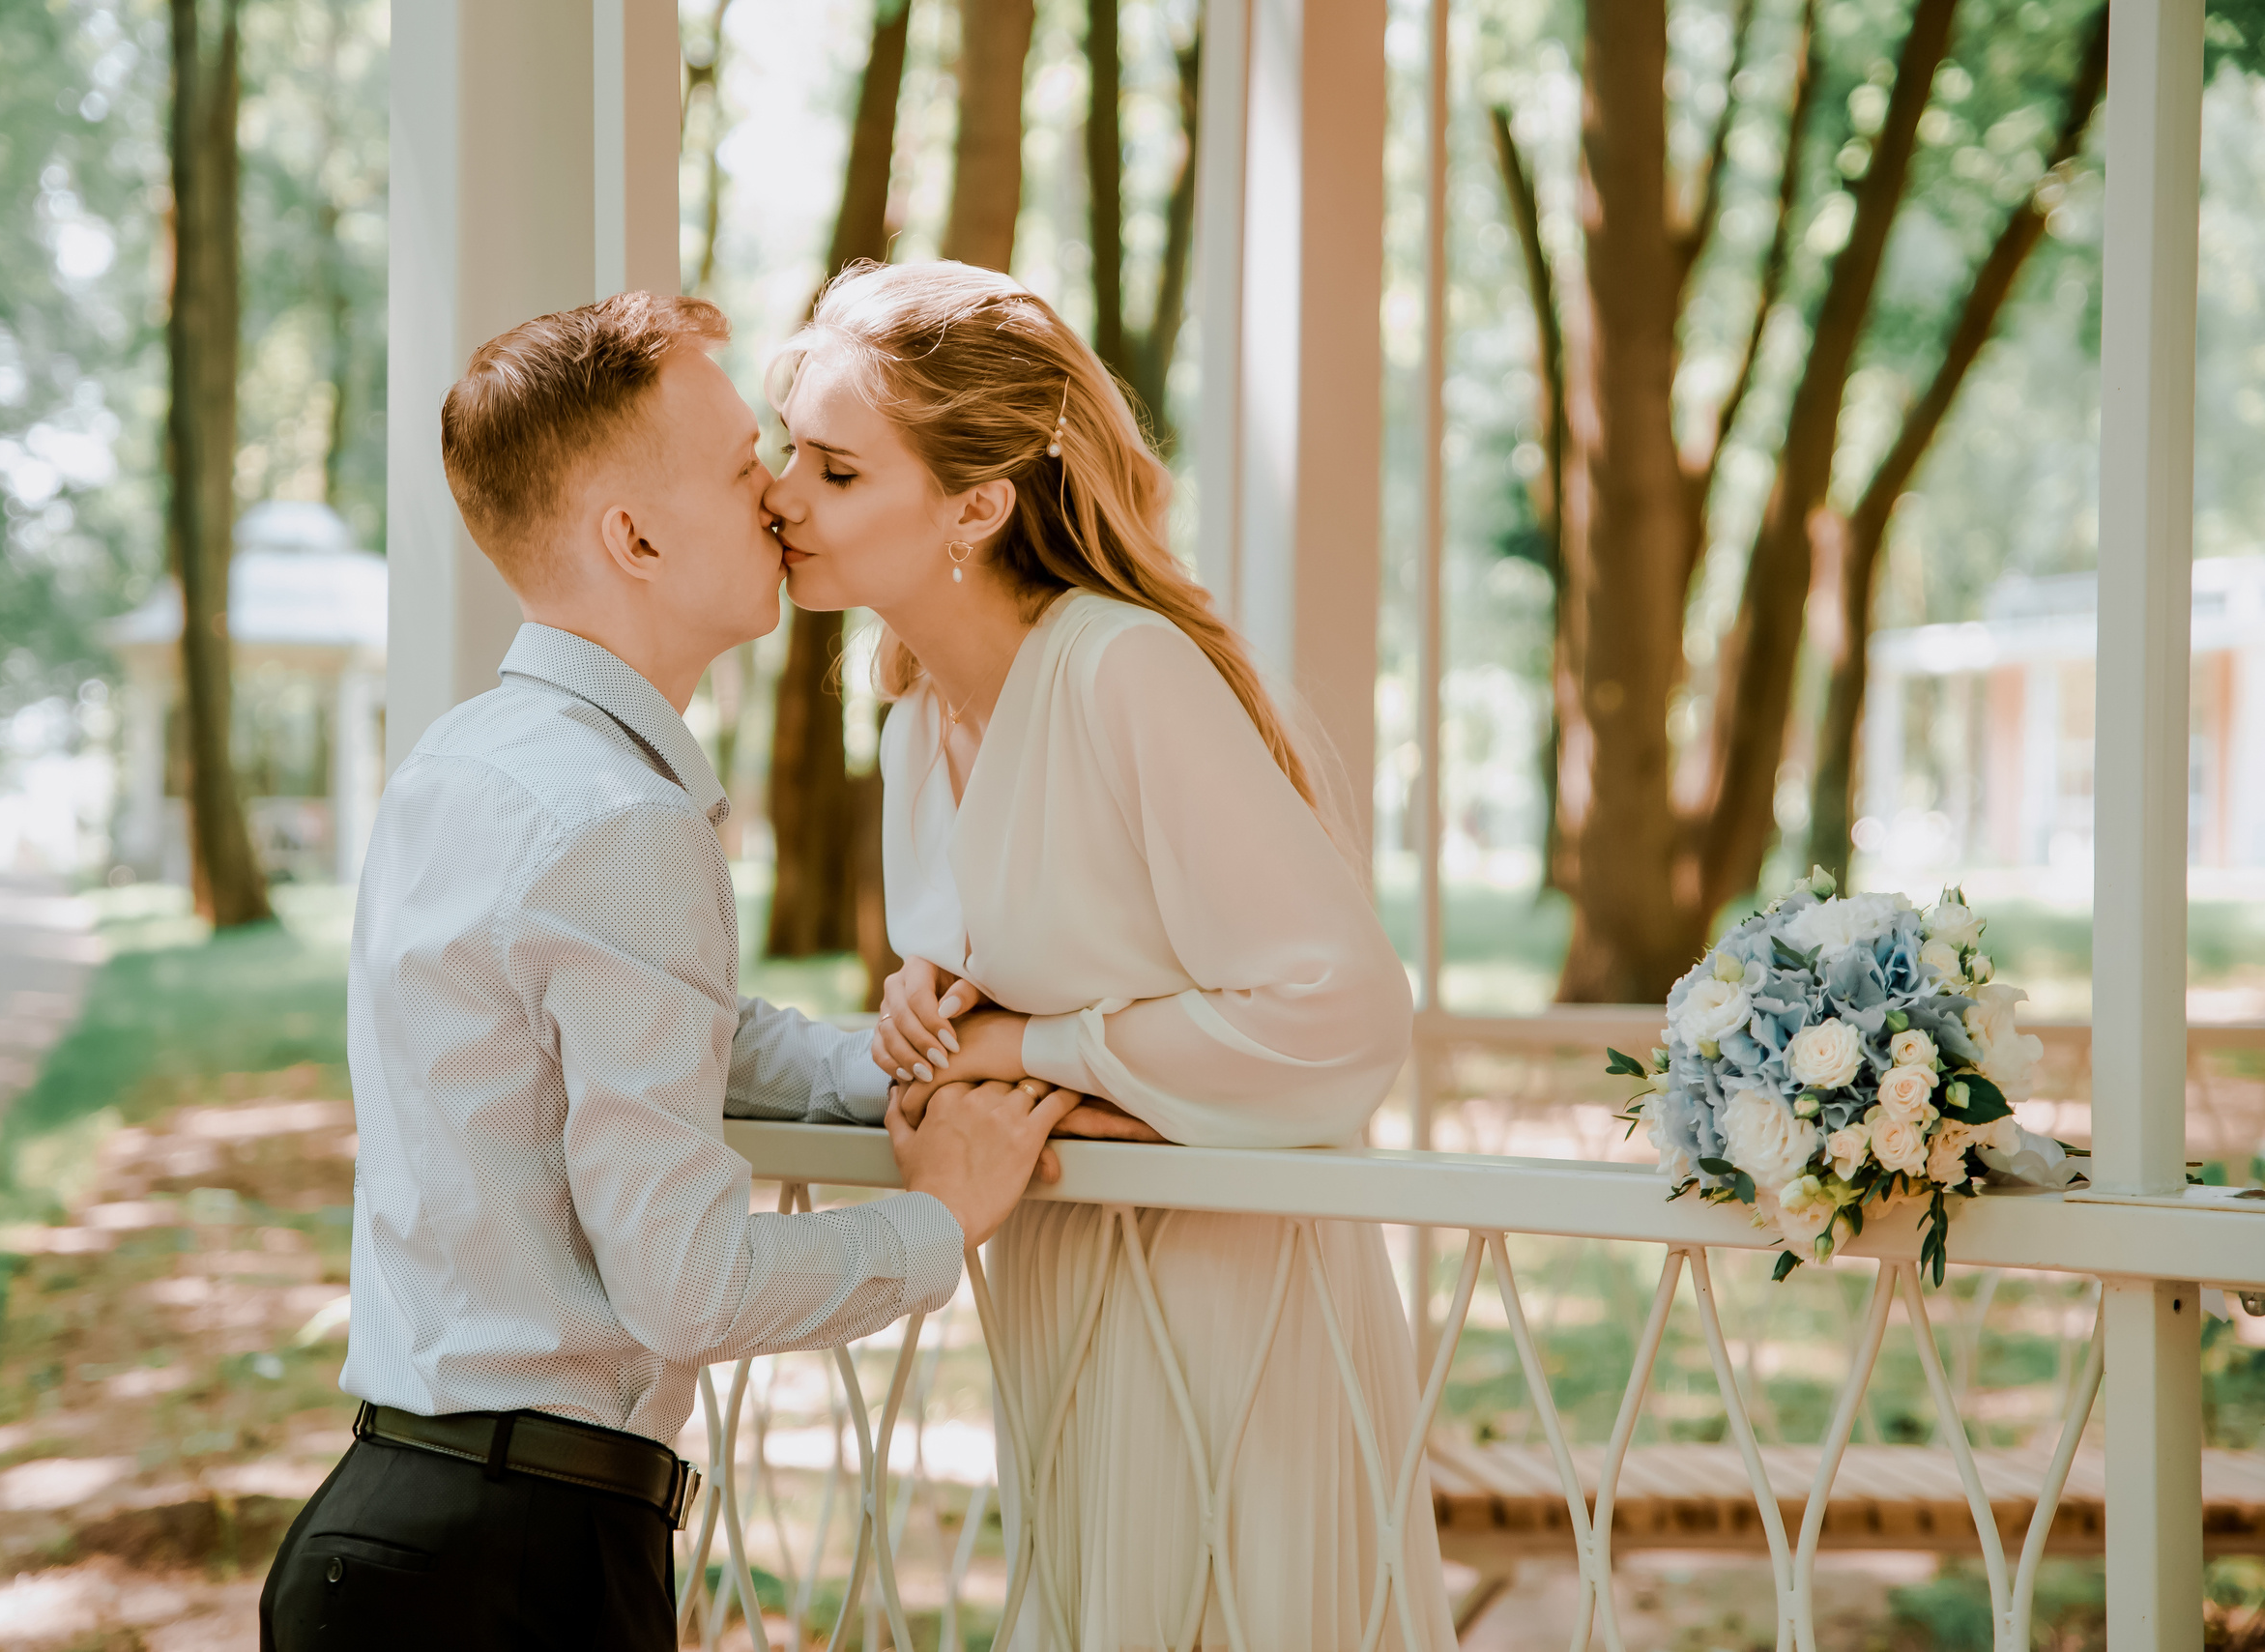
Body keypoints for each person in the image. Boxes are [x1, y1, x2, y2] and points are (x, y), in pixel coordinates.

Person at [260, 292, 1083, 1651]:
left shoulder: (468, 762)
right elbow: (686, 1283)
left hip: (395, 1529)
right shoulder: (621, 822)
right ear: (631, 536)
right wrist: (939, 1219)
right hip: (509, 1573)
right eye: (739, 461)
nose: (775, 488)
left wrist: (903, 1055)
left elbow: (672, 1030)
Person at [762, 260, 1458, 1652]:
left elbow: (1344, 1009)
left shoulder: (1120, 670)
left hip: (1232, 1305)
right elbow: (1044, 950)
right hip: (1066, 1280)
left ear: (976, 504)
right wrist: (932, 996)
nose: (779, 492)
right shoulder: (912, 728)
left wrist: (1023, 1046)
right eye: (788, 453)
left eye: (834, 470)